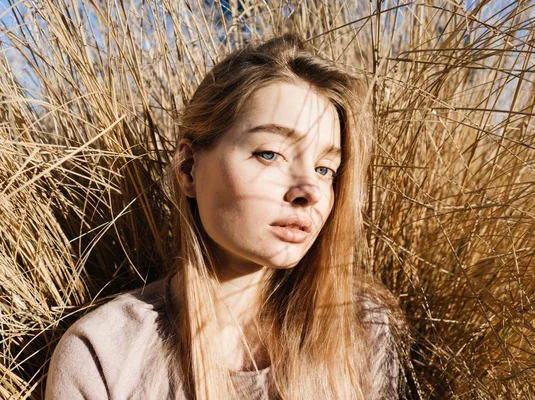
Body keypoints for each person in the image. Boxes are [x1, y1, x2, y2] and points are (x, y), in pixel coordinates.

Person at [45, 34, 406, 399]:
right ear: (188, 168)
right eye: (269, 154)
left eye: (325, 169)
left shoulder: (361, 329)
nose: (309, 190)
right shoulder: (104, 356)